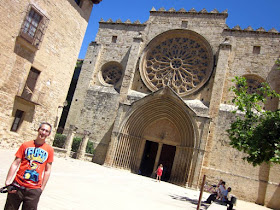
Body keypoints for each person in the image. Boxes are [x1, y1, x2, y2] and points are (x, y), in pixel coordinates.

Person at [4, 122, 54, 210]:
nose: (43, 133)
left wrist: (41, 188)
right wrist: (8, 181)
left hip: (34, 190)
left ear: (49, 134)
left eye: (46, 131)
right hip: (17, 185)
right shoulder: (26, 145)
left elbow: (47, 170)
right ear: (38, 130)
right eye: (42, 129)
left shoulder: (49, 150)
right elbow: (15, 163)